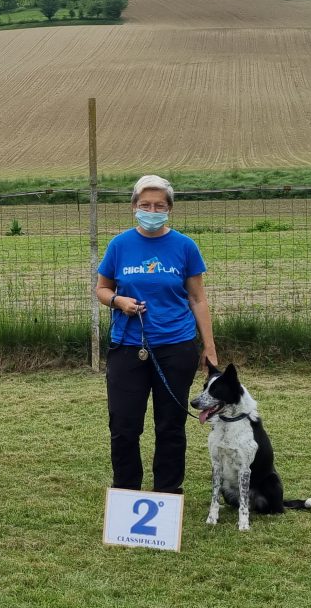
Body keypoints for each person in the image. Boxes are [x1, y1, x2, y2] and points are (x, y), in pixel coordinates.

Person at [95, 174, 218, 495]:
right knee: (124, 425)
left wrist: (209, 346)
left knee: (171, 425)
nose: (152, 211)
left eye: (159, 206)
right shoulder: (119, 245)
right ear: (134, 207)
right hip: (127, 347)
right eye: (145, 205)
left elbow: (198, 299)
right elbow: (102, 289)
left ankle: (168, 492)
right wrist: (118, 301)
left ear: (169, 209)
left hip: (176, 348)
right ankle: (126, 491)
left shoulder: (185, 246)